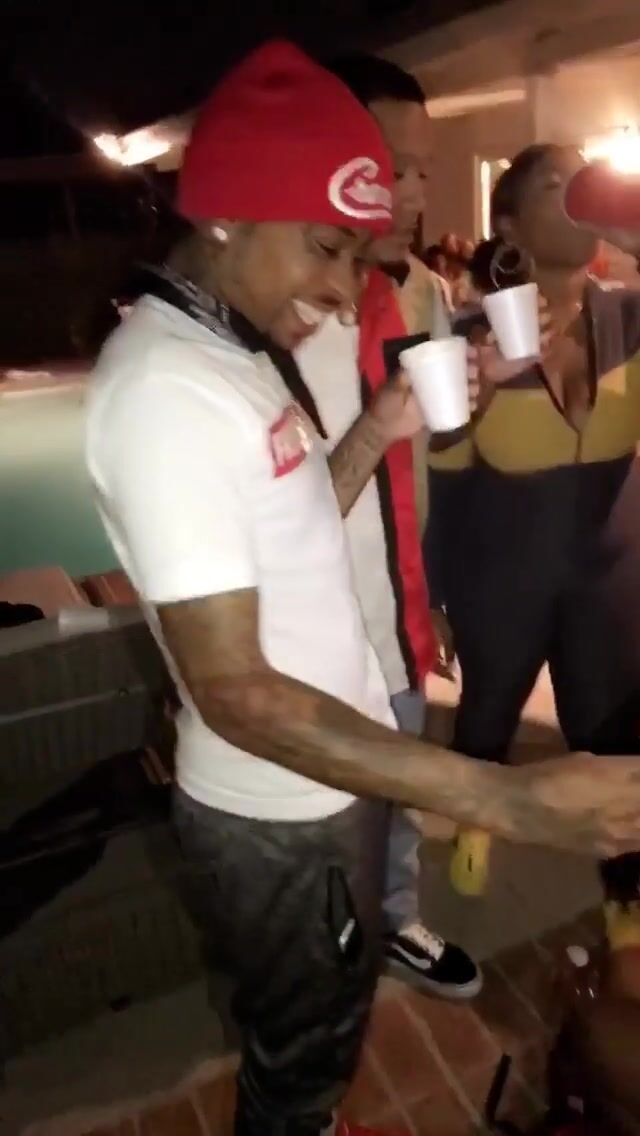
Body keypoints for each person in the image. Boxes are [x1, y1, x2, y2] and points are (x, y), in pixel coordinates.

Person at [87, 49, 640, 1136]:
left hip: (325, 774)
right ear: (228, 218)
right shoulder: (167, 390)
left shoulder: (234, 352)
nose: (345, 289)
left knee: (330, 1014)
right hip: (277, 805)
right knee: (300, 1052)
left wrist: (382, 423)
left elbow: (299, 516)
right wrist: (505, 798)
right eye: (326, 248)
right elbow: (235, 691)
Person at [297, 52, 479, 1001]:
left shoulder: (418, 293)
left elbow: (429, 457)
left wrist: (429, 593)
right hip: (308, 633)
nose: (411, 194)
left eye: (421, 170)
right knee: (324, 819)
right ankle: (324, 956)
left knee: (404, 780)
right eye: (390, 166)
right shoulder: (277, 317)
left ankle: (397, 917)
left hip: (397, 605)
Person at [425, 142, 640, 929]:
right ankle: (476, 824)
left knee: (616, 743)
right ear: (509, 224)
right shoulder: (467, 337)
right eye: (558, 184)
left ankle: (628, 900)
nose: (580, 193)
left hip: (610, 579)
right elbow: (442, 479)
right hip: (501, 579)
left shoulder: (630, 318)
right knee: (487, 719)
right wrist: (434, 594)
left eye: (588, 177)